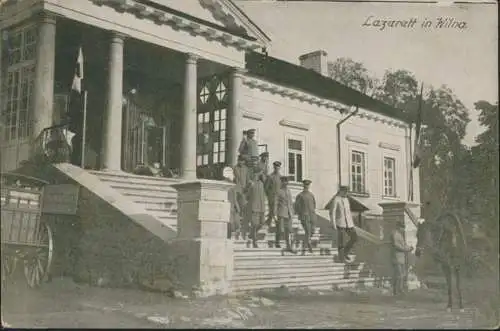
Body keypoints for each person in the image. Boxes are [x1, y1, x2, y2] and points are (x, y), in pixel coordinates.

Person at [329, 185, 358, 263]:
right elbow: (333, 212)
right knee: (341, 240)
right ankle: (341, 257)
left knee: (354, 237)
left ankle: (345, 252)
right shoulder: (336, 199)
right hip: (340, 222)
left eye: (347, 192)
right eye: (345, 192)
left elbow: (348, 213)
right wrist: (333, 223)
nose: (346, 193)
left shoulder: (346, 200)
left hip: (349, 223)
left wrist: (352, 223)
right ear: (341, 191)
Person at [244, 169, 267, 248]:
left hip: (262, 207)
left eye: (260, 174)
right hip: (254, 207)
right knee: (254, 224)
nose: (259, 175)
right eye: (257, 174)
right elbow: (246, 195)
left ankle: (251, 234)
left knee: (262, 223)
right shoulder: (251, 183)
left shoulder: (262, 184)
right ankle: (254, 241)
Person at [391, 219, 414, 296]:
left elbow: (403, 245)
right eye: (401, 227)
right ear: (398, 226)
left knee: (400, 274)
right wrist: (406, 249)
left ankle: (396, 290)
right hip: (396, 257)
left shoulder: (400, 235)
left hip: (401, 257)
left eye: (403, 227)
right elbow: (397, 246)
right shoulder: (394, 234)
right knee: (399, 274)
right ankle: (398, 290)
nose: (402, 229)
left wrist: (409, 248)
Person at [294, 179, 316, 254]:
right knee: (308, 231)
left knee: (312, 231)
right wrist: (300, 215)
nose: (307, 186)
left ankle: (308, 242)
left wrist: (313, 215)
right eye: (305, 185)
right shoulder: (300, 196)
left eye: (308, 185)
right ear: (303, 186)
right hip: (304, 216)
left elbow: (314, 205)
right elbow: (296, 207)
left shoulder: (311, 195)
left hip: (312, 216)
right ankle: (304, 248)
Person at [275, 176, 296, 253]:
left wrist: (292, 212)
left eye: (286, 182)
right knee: (280, 229)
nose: (286, 183)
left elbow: (290, 202)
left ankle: (289, 245)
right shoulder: (279, 191)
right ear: (282, 182)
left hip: (289, 212)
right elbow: (275, 202)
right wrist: (274, 213)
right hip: (281, 212)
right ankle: (277, 242)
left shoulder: (289, 191)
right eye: (284, 182)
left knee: (289, 230)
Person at [265, 161, 282, 226]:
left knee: (275, 210)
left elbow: (281, 187)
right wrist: (269, 195)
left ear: (279, 167)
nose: (276, 168)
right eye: (275, 167)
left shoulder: (281, 177)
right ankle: (272, 222)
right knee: (272, 210)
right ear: (273, 167)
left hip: (278, 197)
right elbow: (266, 188)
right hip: (271, 196)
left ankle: (270, 222)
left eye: (278, 167)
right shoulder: (270, 177)